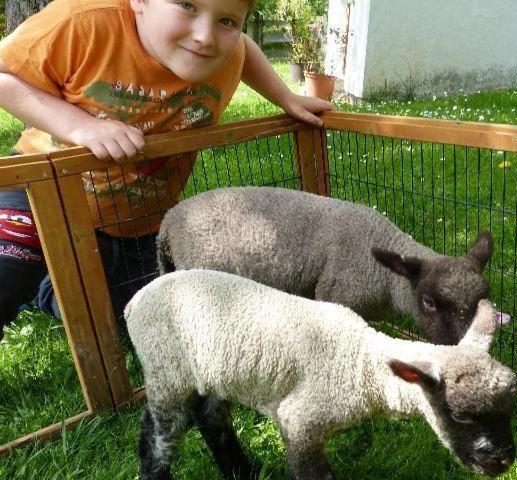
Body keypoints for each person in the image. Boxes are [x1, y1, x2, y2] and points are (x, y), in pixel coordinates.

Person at [0, 0, 334, 341]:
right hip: (42, 191)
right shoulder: (82, 21)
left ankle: (53, 288)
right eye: (187, 5)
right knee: (8, 272)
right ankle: (40, 270)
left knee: (143, 320)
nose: (205, 36)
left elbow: (244, 49)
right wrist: (80, 126)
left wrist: (285, 98)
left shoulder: (226, 46)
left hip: (137, 220)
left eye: (227, 21)